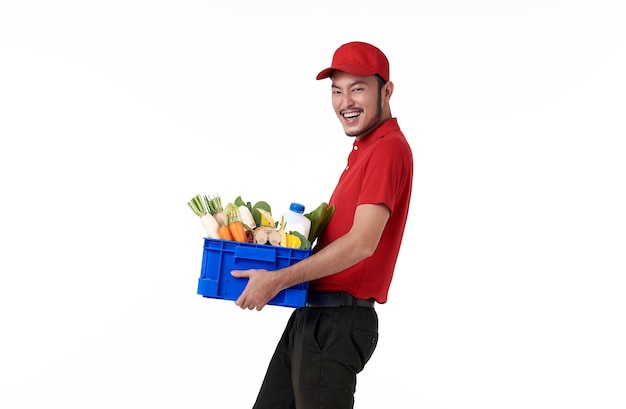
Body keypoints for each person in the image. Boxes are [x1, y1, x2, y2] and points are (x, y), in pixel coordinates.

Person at [231, 41, 414, 409]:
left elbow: (363, 242)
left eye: (358, 88)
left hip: (336, 322)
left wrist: (278, 280)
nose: (345, 101)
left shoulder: (387, 149)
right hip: (312, 315)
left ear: (387, 90)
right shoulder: (364, 150)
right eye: (336, 90)